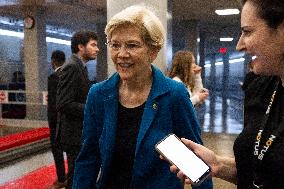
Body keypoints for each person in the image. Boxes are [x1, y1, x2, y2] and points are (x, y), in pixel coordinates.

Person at [72, 5, 212, 189]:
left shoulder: (173, 95)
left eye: (132, 45)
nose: (121, 54)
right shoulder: (98, 95)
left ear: (153, 51)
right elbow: (88, 159)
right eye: (115, 45)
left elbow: (196, 165)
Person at [167, 0, 284, 188]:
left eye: (247, 31)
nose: (239, 46)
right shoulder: (264, 89)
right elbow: (263, 172)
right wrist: (219, 165)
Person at [56, 30, 100, 189]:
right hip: (73, 135)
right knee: (75, 177)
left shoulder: (81, 67)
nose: (97, 49)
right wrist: (92, 109)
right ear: (81, 47)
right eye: (93, 45)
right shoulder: (72, 67)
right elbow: (63, 103)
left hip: (79, 133)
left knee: (80, 176)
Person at [47, 50, 66, 189]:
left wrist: (51, 123)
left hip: (57, 121)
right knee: (72, 152)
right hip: (70, 120)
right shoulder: (70, 74)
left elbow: (53, 104)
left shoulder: (53, 78)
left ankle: (61, 179)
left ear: (53, 61)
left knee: (57, 150)